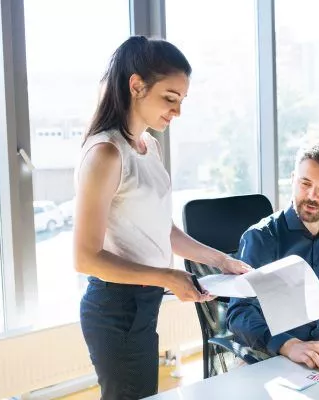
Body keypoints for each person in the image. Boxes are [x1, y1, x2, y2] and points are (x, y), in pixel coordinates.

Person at [73, 36, 251, 400]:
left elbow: (162, 228)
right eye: (170, 98)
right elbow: (85, 257)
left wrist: (219, 260)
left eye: (182, 101)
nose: (177, 111)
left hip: (142, 300)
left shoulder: (147, 146)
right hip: (115, 306)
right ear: (136, 86)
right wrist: (168, 276)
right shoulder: (106, 154)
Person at [226, 142, 319, 373]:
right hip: (262, 354)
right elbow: (239, 313)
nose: (312, 196)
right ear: (293, 179)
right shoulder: (261, 237)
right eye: (305, 183)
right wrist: (289, 345)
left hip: (315, 351)